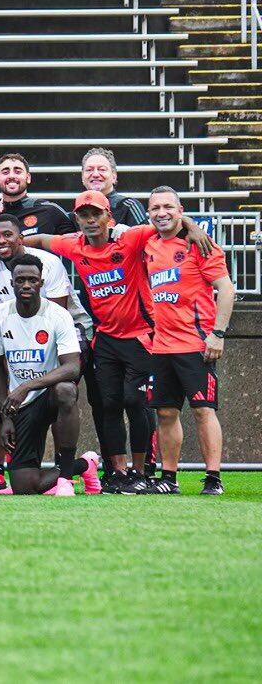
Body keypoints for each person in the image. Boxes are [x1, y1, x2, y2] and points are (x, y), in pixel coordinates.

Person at [27, 190, 167, 491]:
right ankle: (119, 473)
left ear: (109, 217)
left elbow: (167, 224)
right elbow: (39, 240)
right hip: (106, 339)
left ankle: (141, 472)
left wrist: (193, 228)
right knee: (109, 405)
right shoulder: (75, 245)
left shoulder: (129, 239)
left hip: (140, 336)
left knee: (135, 402)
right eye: (84, 215)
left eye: (96, 214)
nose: (90, 220)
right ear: (77, 219)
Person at [141, 187, 233, 495]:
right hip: (161, 346)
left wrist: (218, 334)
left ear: (180, 211)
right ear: (148, 213)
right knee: (166, 413)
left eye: (168, 206)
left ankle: (213, 479)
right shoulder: (149, 244)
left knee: (203, 410)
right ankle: (169, 479)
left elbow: (226, 289)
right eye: (155, 208)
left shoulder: (199, 244)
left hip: (196, 344)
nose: (161, 212)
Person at [0, 254, 94, 496]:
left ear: (41, 283)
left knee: (66, 389)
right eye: (20, 280)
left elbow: (72, 367)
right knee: (24, 486)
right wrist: (6, 416)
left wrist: (26, 387)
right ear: (12, 283)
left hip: (49, 396)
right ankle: (85, 465)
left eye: (32, 280)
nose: (26, 285)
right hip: (21, 405)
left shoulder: (58, 315)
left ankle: (65, 477)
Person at [0, 152, 75, 236]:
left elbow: (74, 242)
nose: (11, 176)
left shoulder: (50, 210)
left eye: (18, 172)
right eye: (5, 172)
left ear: (28, 178)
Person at [81, 147, 148, 225]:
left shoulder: (129, 207)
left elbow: (145, 232)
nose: (95, 174)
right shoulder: (77, 210)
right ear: (82, 177)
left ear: (114, 176)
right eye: (89, 170)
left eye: (102, 169)